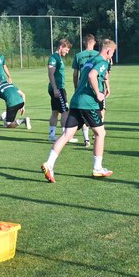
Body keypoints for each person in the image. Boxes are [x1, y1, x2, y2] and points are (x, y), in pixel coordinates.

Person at [41, 39, 116, 182]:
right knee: (100, 133)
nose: (112, 55)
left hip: (76, 101)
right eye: (112, 52)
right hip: (88, 104)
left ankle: (49, 164)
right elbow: (92, 75)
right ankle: (97, 168)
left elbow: (86, 75)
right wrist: (98, 93)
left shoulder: (90, 61)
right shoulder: (102, 61)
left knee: (67, 134)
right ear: (108, 51)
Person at [71, 34, 100, 147]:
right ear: (94, 42)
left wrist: (76, 87)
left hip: (82, 88)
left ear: (84, 42)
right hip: (96, 88)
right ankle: (97, 134)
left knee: (83, 112)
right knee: (98, 111)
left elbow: (75, 74)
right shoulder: (98, 55)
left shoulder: (78, 56)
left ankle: (86, 139)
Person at [47, 38, 73, 142]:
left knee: (55, 112)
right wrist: (55, 89)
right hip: (57, 89)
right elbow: (51, 74)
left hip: (57, 88)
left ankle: (51, 135)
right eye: (66, 50)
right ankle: (66, 137)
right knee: (65, 111)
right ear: (61, 47)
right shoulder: (54, 58)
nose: (67, 52)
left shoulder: (58, 57)